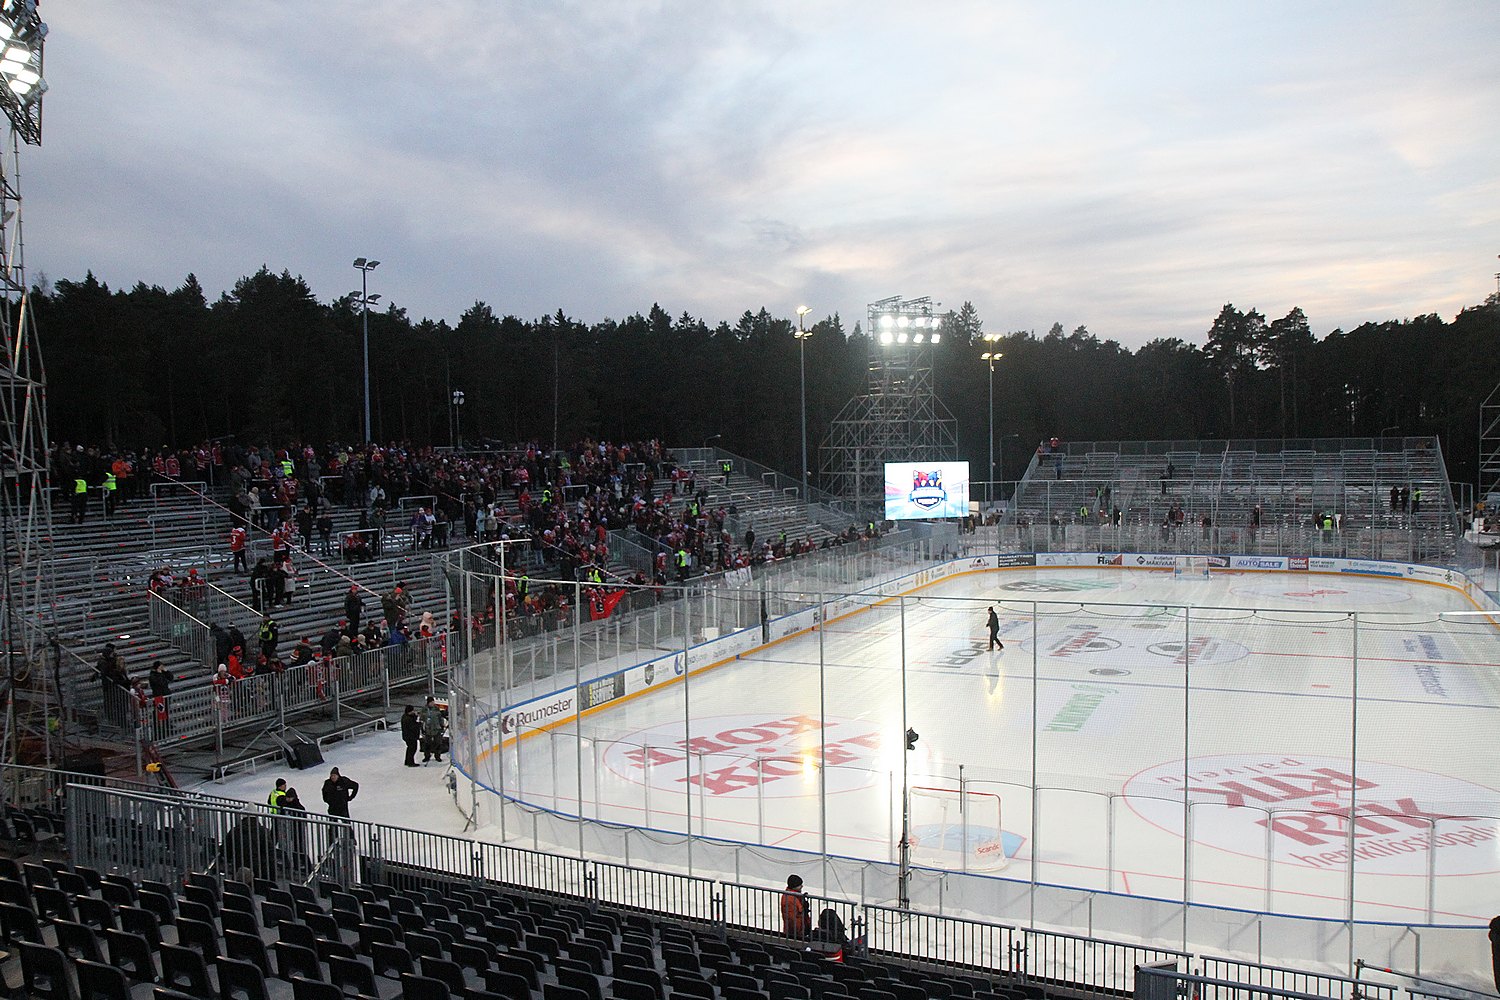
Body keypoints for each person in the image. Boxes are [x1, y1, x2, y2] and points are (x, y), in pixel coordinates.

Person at [780, 874, 810, 939]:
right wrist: (798, 932)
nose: (802, 886)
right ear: (794, 886)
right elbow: (791, 919)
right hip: (795, 934)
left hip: (801, 931)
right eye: (799, 885)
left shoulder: (797, 896)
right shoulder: (789, 899)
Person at [420, 696, 446, 763]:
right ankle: (427, 756)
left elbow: (440, 718)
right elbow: (421, 719)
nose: (433, 703)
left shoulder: (436, 708)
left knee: (438, 743)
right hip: (428, 729)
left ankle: (437, 756)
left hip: (436, 728)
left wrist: (442, 725)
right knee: (427, 744)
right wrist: (422, 728)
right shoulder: (424, 709)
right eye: (431, 702)